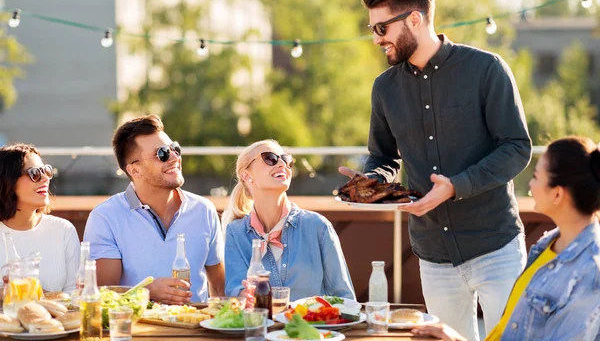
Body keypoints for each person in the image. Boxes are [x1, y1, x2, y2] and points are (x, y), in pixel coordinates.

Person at [338, 0, 532, 340]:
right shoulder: (384, 88)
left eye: (381, 27)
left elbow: (516, 147)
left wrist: (455, 187)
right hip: (432, 254)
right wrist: (373, 181)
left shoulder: (486, 70)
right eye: (372, 28)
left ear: (415, 18)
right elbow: (383, 155)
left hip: (495, 245)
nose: (376, 38)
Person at [413, 136, 600, 341]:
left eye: (536, 177)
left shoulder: (590, 273)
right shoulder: (548, 245)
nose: (530, 183)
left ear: (557, 194)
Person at [83, 114, 224, 304]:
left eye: (175, 149)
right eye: (162, 154)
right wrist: (146, 292)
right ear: (134, 170)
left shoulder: (204, 210)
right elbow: (102, 297)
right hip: (137, 330)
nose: (174, 157)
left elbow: (220, 288)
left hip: (194, 329)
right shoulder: (105, 218)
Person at [223, 139, 355, 301]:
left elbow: (345, 298)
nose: (282, 164)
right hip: (262, 325)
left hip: (313, 326)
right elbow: (234, 290)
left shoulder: (318, 227)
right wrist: (242, 295)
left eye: (286, 160)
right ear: (246, 175)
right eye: (270, 158)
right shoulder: (235, 233)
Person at [0, 143, 80, 293]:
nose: (45, 179)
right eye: (35, 173)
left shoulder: (63, 230)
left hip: (51, 317)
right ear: (7, 181)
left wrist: (35, 293)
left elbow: (75, 296)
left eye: (46, 171)